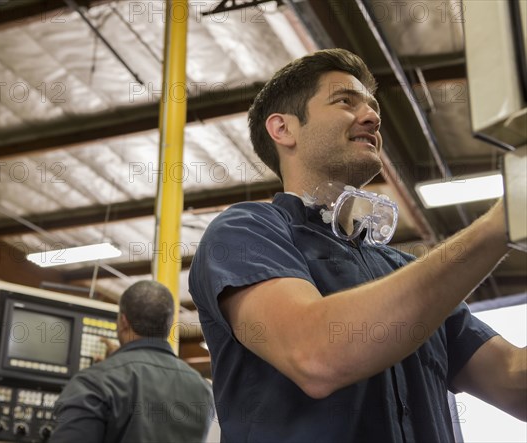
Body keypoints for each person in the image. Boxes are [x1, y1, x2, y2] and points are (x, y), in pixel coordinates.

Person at [188, 48, 526, 442]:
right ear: (283, 129)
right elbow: (315, 354)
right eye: (345, 101)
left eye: (372, 106)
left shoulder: (405, 271)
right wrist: (504, 222)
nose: (373, 116)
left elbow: (511, 380)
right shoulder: (245, 232)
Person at [51, 280, 214, 443]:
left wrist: (111, 368)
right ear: (169, 325)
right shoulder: (204, 390)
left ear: (123, 321)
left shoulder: (92, 384)